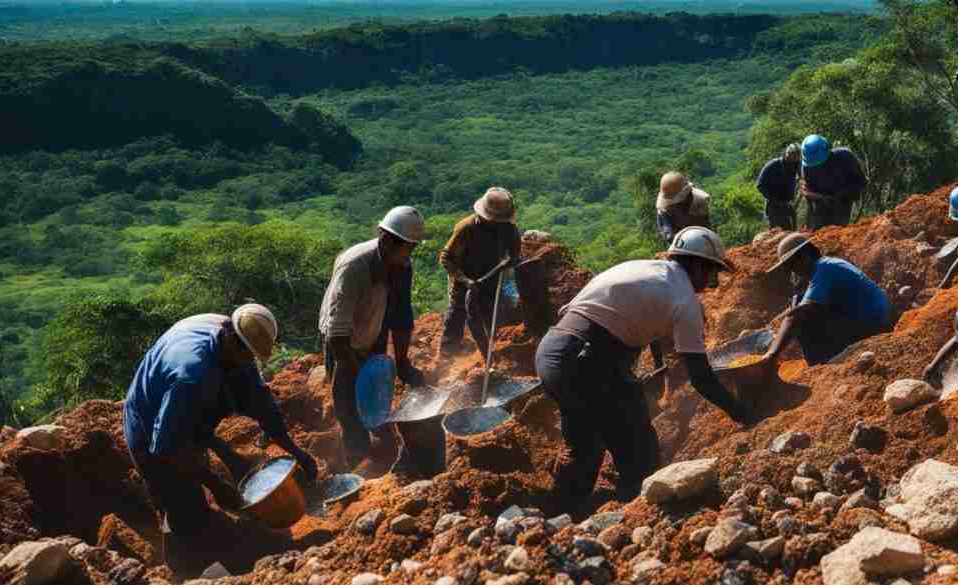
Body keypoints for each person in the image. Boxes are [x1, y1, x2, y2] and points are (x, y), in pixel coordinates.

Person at [535, 226, 754, 515]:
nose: (710, 283)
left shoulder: (643, 268)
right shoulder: (684, 299)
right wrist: (741, 413)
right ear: (698, 265)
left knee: (584, 439)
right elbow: (700, 378)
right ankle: (633, 512)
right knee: (637, 445)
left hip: (554, 350)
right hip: (585, 361)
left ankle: (559, 515)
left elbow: (632, 322)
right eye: (711, 273)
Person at [122, 304, 317, 576]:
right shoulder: (191, 376)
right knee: (182, 502)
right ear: (230, 338)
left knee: (203, 465)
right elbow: (167, 448)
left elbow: (262, 405)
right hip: (148, 428)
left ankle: (207, 535)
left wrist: (295, 450)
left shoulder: (235, 346)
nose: (249, 361)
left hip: (182, 412)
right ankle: (185, 569)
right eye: (245, 355)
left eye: (252, 357)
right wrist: (215, 484)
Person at [318, 206, 427, 470]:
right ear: (386, 239)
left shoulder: (402, 265)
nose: (409, 255)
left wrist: (402, 362)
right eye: (406, 247)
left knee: (377, 390)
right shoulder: (355, 266)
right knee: (348, 402)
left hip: (375, 327)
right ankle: (359, 458)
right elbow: (337, 328)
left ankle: (381, 438)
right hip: (343, 340)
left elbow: (400, 315)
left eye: (412, 248)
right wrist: (352, 370)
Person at [763, 234, 891, 366]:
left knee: (802, 319)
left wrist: (771, 354)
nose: (793, 273)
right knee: (803, 306)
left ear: (805, 258)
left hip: (874, 325)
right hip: (876, 319)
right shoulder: (828, 264)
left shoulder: (824, 269)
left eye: (792, 267)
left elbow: (796, 315)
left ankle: (825, 364)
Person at [439, 187, 522, 360]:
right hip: (463, 277)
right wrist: (465, 280)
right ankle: (447, 358)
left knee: (490, 313)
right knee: (458, 313)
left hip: (490, 278)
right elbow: (446, 258)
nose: (497, 223)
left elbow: (514, 257)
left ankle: (491, 355)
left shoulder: (509, 230)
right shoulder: (466, 227)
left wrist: (496, 271)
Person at [800, 134, 867, 230]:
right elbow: (807, 190)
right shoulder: (807, 166)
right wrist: (815, 197)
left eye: (821, 162)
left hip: (842, 202)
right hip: (820, 204)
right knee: (817, 234)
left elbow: (861, 182)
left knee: (837, 232)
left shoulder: (845, 157)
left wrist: (838, 196)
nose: (818, 167)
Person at [655, 171, 711, 245]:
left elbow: (705, 228)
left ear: (685, 194)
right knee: (670, 237)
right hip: (675, 234)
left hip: (697, 232)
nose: (673, 205)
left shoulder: (699, 201)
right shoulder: (663, 207)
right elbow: (668, 231)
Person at [756, 143, 801, 230]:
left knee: (792, 229)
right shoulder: (773, 165)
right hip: (774, 206)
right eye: (793, 157)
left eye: (797, 158)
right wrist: (774, 200)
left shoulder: (796, 164)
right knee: (778, 232)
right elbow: (760, 185)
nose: (794, 161)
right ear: (787, 154)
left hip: (788, 203)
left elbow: (802, 176)